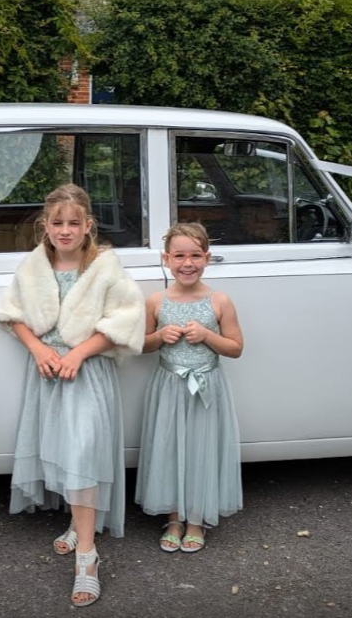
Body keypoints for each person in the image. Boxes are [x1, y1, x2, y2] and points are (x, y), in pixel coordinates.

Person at [0, 183, 144, 607]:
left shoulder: (105, 268)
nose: (65, 230)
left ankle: (87, 558)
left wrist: (78, 351)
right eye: (57, 223)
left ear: (88, 226)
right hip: (47, 372)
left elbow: (126, 319)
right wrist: (39, 347)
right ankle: (81, 524)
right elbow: (12, 314)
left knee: (82, 454)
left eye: (73, 223)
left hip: (86, 372)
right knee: (59, 450)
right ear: (45, 226)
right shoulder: (33, 266)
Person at [135, 222, 244, 553]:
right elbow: (140, 345)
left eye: (195, 255)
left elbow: (236, 348)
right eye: (179, 256)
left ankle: (196, 519)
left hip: (206, 390)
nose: (187, 263)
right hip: (169, 387)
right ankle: (173, 517)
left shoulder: (220, 301)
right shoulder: (155, 301)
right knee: (169, 448)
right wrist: (158, 337)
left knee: (201, 448)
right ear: (166, 259)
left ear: (207, 258)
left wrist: (208, 337)